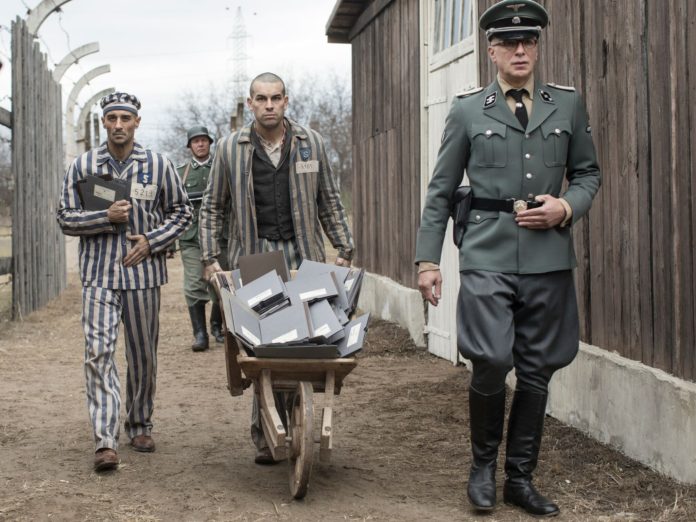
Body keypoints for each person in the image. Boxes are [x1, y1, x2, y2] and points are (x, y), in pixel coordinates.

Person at [415, 0, 601, 516]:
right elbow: (440, 191)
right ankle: (481, 469)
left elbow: (588, 174)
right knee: (492, 359)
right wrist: (427, 262)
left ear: (537, 47)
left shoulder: (565, 105)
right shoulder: (468, 110)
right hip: (486, 253)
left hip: (548, 257)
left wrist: (566, 206)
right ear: (491, 51)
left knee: (538, 370)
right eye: (509, 43)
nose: (521, 50)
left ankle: (520, 479)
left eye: (530, 42)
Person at [199, 72, 354, 464]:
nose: (269, 105)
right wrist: (210, 259)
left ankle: (298, 424)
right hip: (255, 254)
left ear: (286, 101)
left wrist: (345, 247)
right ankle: (268, 432)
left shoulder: (309, 143)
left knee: (304, 342)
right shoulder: (229, 149)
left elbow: (329, 200)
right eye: (261, 99)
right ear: (250, 104)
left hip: (303, 252)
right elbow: (213, 207)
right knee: (264, 346)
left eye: (275, 98)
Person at [57, 92, 192, 472]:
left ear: (137, 122)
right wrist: (105, 219)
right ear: (104, 123)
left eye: (125, 118)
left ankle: (140, 423)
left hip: (142, 276)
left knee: (142, 355)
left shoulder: (158, 165)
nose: (118, 125)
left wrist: (152, 240)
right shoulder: (83, 166)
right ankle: (105, 438)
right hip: (99, 276)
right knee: (98, 352)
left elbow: (183, 212)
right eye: (112, 118)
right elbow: (66, 217)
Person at [176, 126, 228, 351]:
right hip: (192, 237)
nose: (200, 144)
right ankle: (200, 333)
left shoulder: (222, 168)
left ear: (210, 143)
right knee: (195, 284)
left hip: (220, 236)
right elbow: (173, 206)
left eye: (204, 141)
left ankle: (217, 324)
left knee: (222, 281)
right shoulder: (181, 173)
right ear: (190, 146)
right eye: (195, 141)